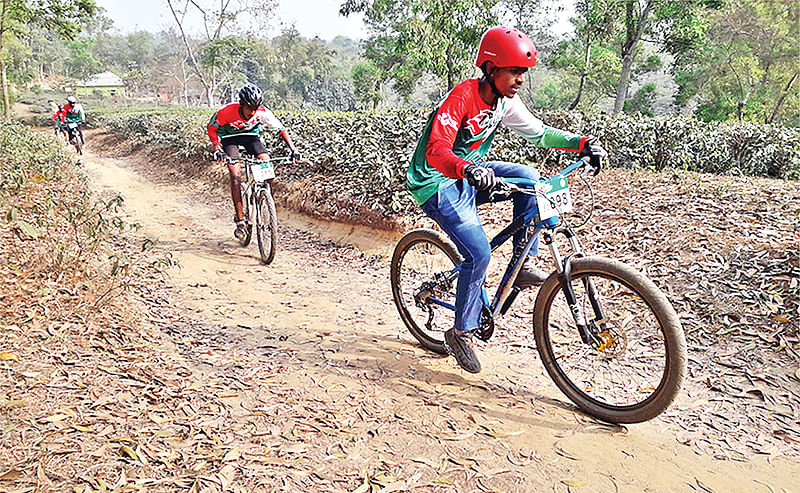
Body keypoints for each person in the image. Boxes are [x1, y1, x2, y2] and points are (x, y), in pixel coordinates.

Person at [405, 26, 608, 374]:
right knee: (479, 253)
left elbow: (540, 133)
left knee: (530, 178)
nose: (520, 80)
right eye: (514, 71)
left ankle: (523, 260)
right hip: (436, 180)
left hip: (472, 172)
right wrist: (467, 169)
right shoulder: (462, 98)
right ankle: (460, 332)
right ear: (491, 69)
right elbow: (438, 151)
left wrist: (581, 143)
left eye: (523, 73)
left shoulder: (505, 102)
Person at [207, 82, 301, 240]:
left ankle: (262, 197)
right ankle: (240, 220)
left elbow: (281, 129)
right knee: (235, 176)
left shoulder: (261, 112)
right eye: (249, 108)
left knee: (268, 166)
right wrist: (217, 149)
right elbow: (211, 127)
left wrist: (294, 149)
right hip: (230, 139)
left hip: (251, 138)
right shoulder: (226, 112)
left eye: (255, 108)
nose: (252, 112)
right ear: (241, 104)